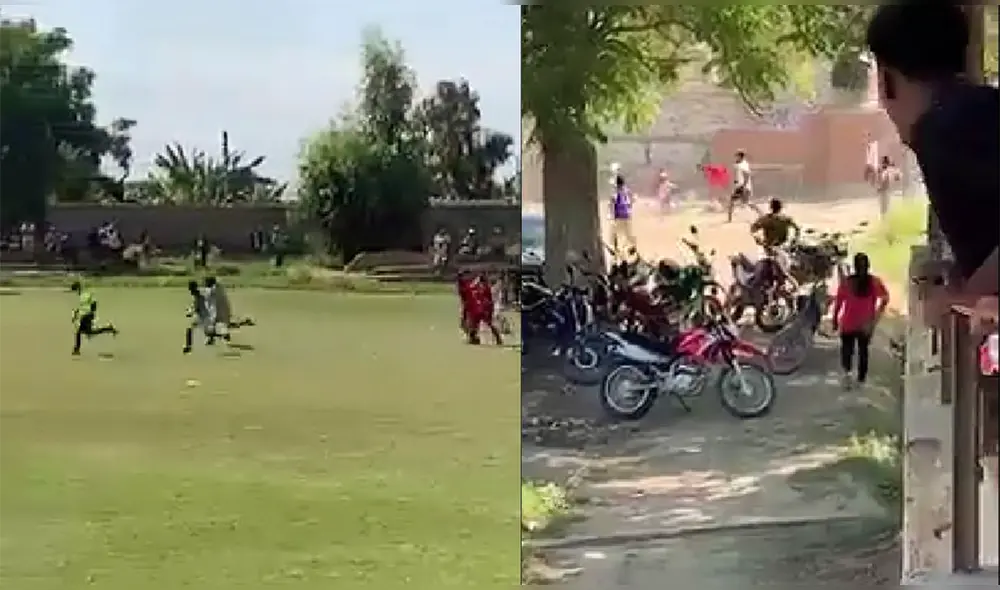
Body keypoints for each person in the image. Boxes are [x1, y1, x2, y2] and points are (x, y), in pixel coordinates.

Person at [866, 1, 998, 303]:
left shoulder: (943, 131)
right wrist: (965, 272)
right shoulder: (971, 111)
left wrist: (968, 296)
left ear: (887, 79)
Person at [832, 253, 890, 390]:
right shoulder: (875, 282)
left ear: (854, 267)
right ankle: (861, 380)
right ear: (868, 266)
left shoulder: (847, 283)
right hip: (866, 325)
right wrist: (876, 316)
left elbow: (838, 303)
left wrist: (835, 319)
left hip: (848, 323)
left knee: (847, 350)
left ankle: (847, 375)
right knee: (863, 351)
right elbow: (886, 298)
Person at [749, 198, 799, 288]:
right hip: (783, 249)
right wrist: (794, 242)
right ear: (781, 208)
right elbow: (797, 229)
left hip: (769, 249)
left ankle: (756, 287)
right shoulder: (786, 219)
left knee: (759, 271)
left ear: (771, 207)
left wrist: (758, 239)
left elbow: (753, 229)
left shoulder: (766, 219)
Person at [70, 281, 118, 355]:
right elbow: (82, 307)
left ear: (78, 288)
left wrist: (91, 313)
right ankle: (109, 328)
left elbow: (94, 303)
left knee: (81, 332)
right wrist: (76, 314)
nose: (75, 292)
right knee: (87, 332)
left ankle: (77, 350)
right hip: (85, 315)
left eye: (75, 290)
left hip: (87, 315)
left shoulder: (86, 294)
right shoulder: (81, 295)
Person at [610, 174, 635, 256]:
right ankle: (632, 247)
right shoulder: (626, 190)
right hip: (627, 215)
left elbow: (613, 201)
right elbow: (632, 199)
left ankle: (615, 249)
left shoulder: (617, 192)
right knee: (628, 233)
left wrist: (612, 214)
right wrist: (629, 206)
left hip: (619, 216)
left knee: (613, 233)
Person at [727, 150, 754, 223]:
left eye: (737, 156)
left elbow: (747, 175)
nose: (736, 157)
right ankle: (729, 219)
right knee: (733, 201)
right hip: (739, 186)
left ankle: (759, 212)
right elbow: (737, 175)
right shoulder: (738, 164)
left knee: (746, 202)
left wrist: (744, 186)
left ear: (740, 156)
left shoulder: (743, 164)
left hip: (743, 187)